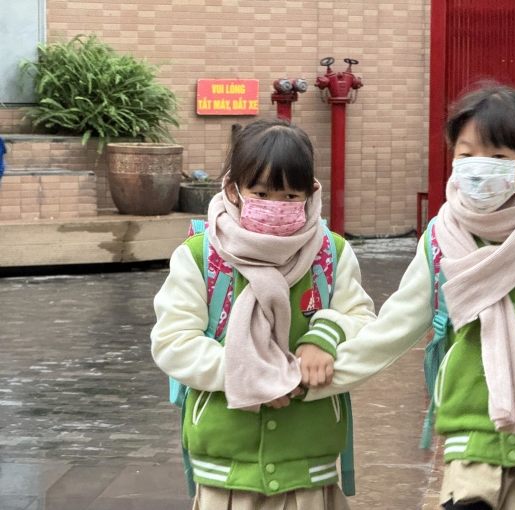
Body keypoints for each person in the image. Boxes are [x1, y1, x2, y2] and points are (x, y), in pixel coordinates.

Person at [305, 85, 515, 510]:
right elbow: (392, 329)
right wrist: (302, 382)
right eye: (465, 155)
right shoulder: (441, 239)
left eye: (497, 157)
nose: (477, 168)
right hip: (472, 447)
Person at [151, 118, 376, 510]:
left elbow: (361, 320)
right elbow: (173, 344)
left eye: (290, 196)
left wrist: (324, 338)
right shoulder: (199, 256)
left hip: (308, 461)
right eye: (261, 193)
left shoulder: (332, 255)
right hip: (225, 466)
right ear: (232, 190)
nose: (276, 206)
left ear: (312, 193)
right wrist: (251, 373)